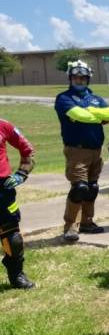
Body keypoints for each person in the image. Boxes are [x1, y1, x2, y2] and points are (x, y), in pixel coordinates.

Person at [54, 60, 109, 242]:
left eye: (83, 77)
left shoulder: (95, 98)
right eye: (75, 77)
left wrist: (90, 114)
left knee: (92, 188)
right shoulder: (63, 98)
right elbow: (78, 115)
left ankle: (87, 222)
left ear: (88, 79)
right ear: (70, 78)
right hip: (77, 151)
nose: (79, 80)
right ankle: (70, 227)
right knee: (79, 188)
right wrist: (97, 116)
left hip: (96, 151)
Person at [0, 118, 35, 289]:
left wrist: (22, 173)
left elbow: (27, 149)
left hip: (2, 191)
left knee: (12, 238)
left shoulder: (4, 125)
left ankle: (17, 276)